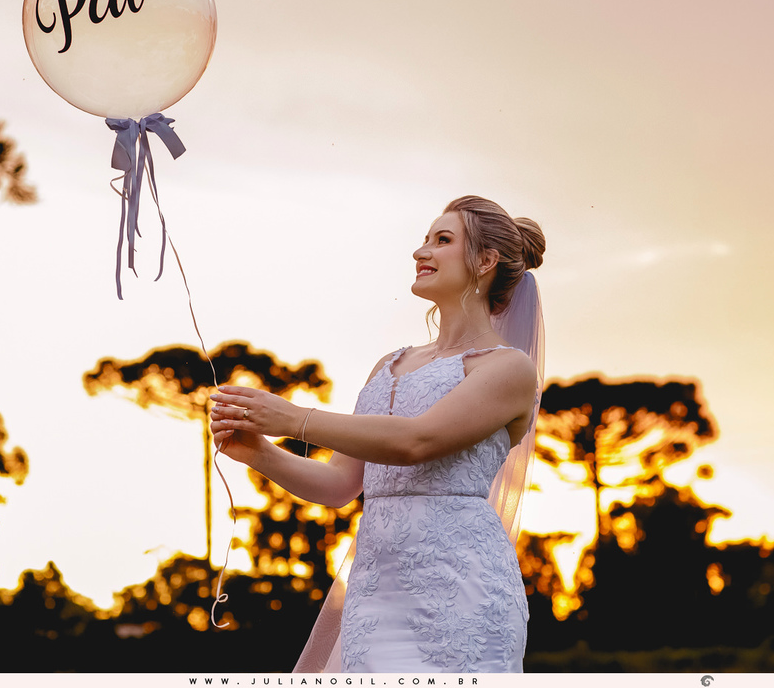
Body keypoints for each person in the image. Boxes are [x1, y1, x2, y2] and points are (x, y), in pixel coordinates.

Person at [209, 195, 546, 673]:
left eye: (442, 240)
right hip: (374, 594)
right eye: (425, 239)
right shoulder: (390, 364)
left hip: (461, 591)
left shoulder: (508, 368)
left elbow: (416, 441)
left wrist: (293, 419)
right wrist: (259, 453)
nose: (420, 251)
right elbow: (339, 486)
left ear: (486, 261)